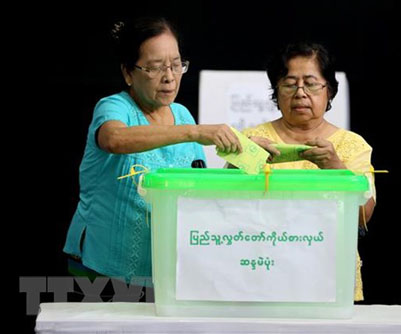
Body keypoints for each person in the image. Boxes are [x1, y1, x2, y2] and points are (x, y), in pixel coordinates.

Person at [63, 16, 241, 289]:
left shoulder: (182, 114)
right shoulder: (113, 108)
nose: (170, 77)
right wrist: (194, 132)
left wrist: (242, 157)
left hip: (162, 273)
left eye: (176, 64)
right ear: (128, 73)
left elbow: (199, 190)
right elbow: (115, 139)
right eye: (156, 67)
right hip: (100, 270)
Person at [240, 42, 376, 301]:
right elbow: (220, 204)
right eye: (290, 84)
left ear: (330, 92)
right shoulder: (253, 139)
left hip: (328, 273)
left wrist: (335, 168)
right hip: (260, 270)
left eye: (311, 83)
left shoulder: (352, 145)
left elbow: (363, 216)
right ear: (276, 92)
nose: (300, 93)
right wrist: (244, 159)